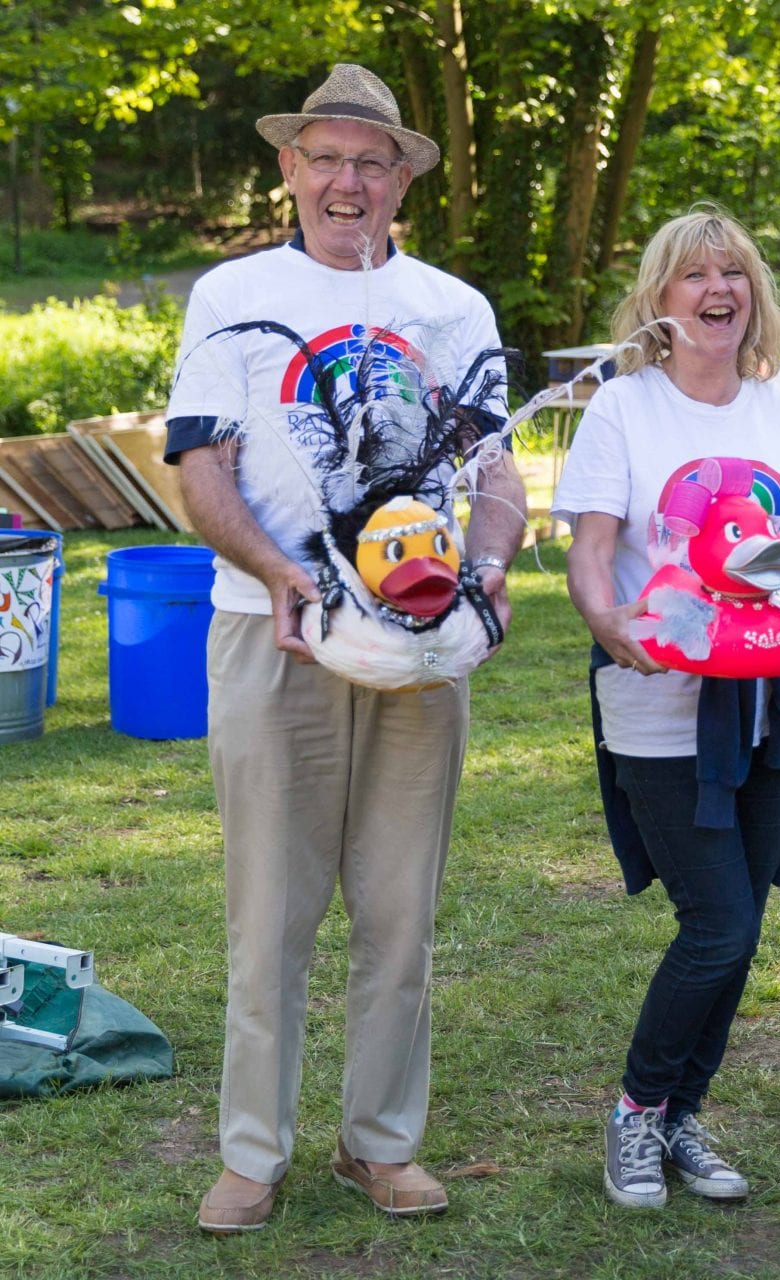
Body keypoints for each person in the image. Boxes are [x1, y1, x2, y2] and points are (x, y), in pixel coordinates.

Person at [166, 63, 526, 1232]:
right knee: (269, 910)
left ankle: (379, 1143)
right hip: (271, 632)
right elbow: (200, 464)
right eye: (325, 157)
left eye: (371, 161)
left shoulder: (452, 309)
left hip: (416, 641)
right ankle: (252, 1155)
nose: (347, 180)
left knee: (399, 909)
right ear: (289, 169)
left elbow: (495, 469)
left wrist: (489, 566)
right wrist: (278, 572)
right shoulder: (232, 294)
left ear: (402, 180)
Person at [553, 207, 780, 1209]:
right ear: (662, 297)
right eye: (695, 275)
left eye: (734, 273)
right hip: (660, 705)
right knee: (717, 923)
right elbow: (592, 548)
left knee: (747, 920)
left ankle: (684, 1114)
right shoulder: (624, 409)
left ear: (753, 293)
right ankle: (638, 1113)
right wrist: (607, 623)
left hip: (778, 701)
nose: (718, 290)